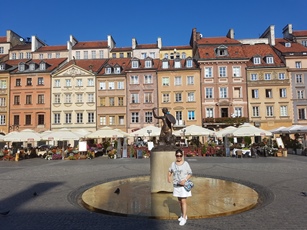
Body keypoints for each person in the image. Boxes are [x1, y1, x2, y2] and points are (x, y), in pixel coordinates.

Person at [168, 149, 192, 226]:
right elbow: (170, 171)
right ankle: (183, 214)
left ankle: (184, 217)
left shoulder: (185, 164)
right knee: (179, 201)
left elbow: (190, 173)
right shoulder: (173, 164)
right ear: (175, 156)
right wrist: (168, 177)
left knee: (183, 201)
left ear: (182, 156)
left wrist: (185, 180)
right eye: (177, 156)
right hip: (176, 185)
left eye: (180, 156)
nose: (179, 157)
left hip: (183, 185)